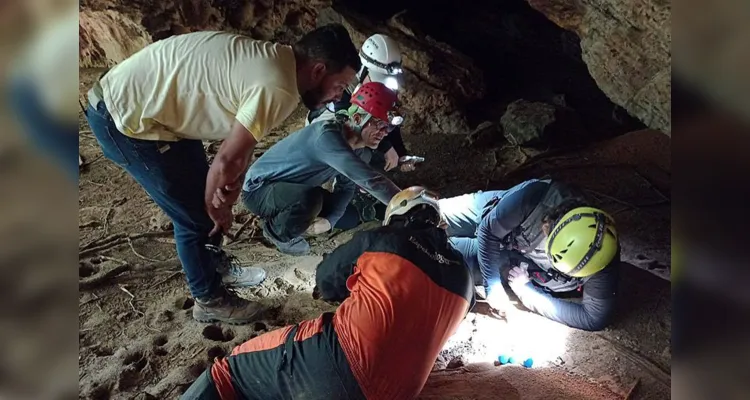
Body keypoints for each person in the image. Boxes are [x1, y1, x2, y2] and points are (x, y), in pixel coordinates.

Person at [84, 25, 361, 325]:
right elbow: (226, 159)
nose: (337, 97)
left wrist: (230, 188)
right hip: (125, 117)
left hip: (159, 110)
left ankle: (214, 265)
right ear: (319, 70)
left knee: (204, 201)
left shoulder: (278, 62)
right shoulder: (279, 86)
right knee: (193, 216)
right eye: (340, 86)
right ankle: (208, 298)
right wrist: (219, 208)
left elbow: (242, 147)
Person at [182, 186, 474, 400]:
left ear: (397, 216)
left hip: (339, 363)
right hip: (402, 392)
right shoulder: (465, 278)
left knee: (226, 375)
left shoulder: (383, 239)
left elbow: (327, 280)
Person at [240, 82, 402, 256]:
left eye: (389, 127)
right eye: (379, 124)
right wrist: (408, 204)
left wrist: (329, 220)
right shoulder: (327, 136)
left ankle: (290, 214)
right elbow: (370, 180)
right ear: (357, 119)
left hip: (295, 188)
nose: (384, 132)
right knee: (310, 199)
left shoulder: (361, 151)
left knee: (350, 217)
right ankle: (276, 232)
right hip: (258, 190)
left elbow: (346, 187)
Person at [441, 179, 620, 331]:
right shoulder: (532, 200)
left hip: (516, 260)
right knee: (428, 212)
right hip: (498, 216)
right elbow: (488, 232)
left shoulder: (602, 261)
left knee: (440, 255)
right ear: (547, 225)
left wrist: (526, 291)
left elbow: (593, 318)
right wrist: (493, 286)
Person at [307, 33, 417, 174]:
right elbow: (348, 122)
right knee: (354, 146)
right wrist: (386, 146)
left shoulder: (386, 87)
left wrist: (401, 154)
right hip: (328, 121)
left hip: (359, 125)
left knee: (374, 153)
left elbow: (388, 120)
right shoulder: (345, 84)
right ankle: (340, 176)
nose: (379, 84)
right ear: (364, 69)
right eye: (376, 78)